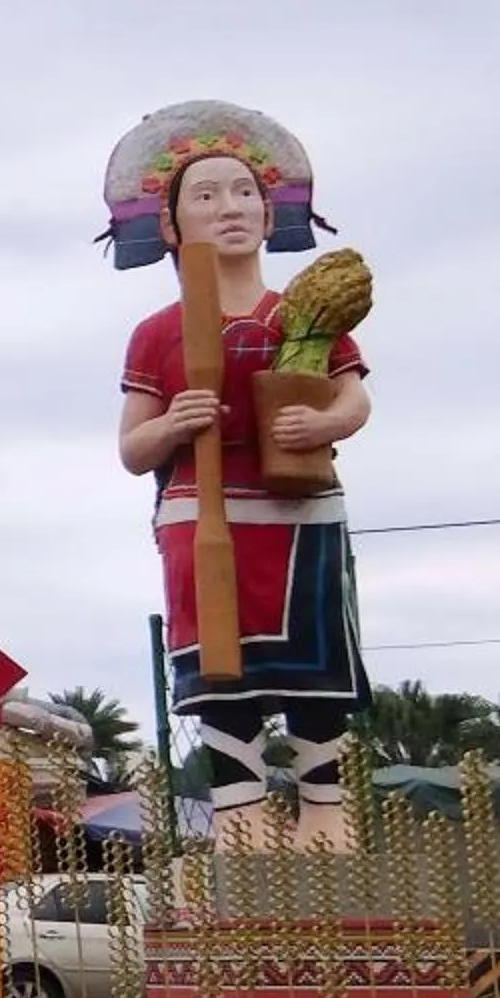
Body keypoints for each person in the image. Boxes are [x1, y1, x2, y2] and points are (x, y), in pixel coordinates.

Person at [106, 102, 370, 852]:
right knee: (222, 669)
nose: (230, 209)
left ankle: (326, 806)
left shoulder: (305, 314)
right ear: (170, 223)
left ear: (270, 211)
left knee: (317, 663)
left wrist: (323, 424)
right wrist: (177, 423)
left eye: (244, 193)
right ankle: (240, 807)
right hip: (201, 512)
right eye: (206, 195)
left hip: (302, 511)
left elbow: (353, 395)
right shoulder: (158, 332)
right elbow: (133, 449)